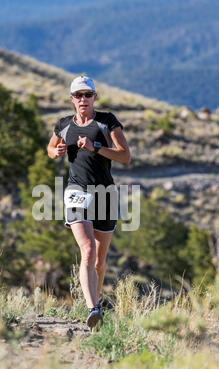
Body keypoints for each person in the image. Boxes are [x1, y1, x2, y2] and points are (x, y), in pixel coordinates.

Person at [47, 75, 130, 329]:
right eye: (78, 95)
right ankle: (93, 309)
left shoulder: (107, 121)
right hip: (76, 191)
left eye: (88, 95)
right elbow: (50, 149)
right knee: (88, 250)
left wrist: (96, 147)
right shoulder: (63, 124)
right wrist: (56, 152)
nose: (83, 99)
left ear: (95, 97)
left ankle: (95, 301)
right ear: (72, 99)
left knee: (99, 262)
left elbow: (125, 156)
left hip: (104, 193)